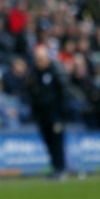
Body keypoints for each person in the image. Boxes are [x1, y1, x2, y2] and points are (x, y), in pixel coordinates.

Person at [28, 44, 69, 180]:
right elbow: (32, 94)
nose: (39, 62)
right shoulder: (34, 74)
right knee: (48, 142)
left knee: (57, 142)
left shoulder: (54, 72)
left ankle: (61, 168)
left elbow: (62, 93)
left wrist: (61, 114)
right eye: (37, 59)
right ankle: (55, 167)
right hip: (42, 115)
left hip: (55, 114)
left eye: (41, 58)